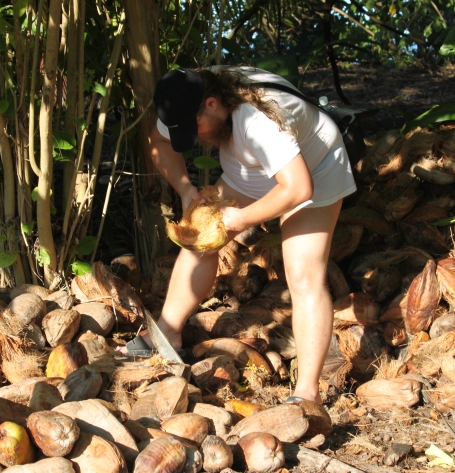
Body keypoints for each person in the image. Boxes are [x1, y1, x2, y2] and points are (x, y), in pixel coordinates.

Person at [125, 66, 357, 404]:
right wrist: (187, 190)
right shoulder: (185, 96)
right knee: (200, 237)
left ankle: (307, 393)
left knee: (303, 274)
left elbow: (298, 187)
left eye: (197, 127)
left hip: (314, 167)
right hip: (251, 167)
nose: (198, 136)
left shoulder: (258, 122)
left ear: (213, 103)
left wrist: (239, 220)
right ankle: (167, 334)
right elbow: (158, 141)